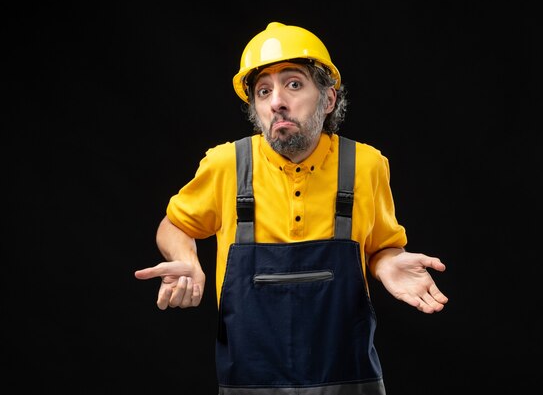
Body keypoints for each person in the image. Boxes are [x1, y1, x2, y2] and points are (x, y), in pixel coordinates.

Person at [135, 21, 448, 395]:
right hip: (250, 385)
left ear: (329, 98)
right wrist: (186, 258)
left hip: (349, 383)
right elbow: (174, 225)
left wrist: (387, 262)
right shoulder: (226, 165)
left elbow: (382, 247)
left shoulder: (365, 165)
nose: (276, 101)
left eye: (294, 84)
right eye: (263, 91)